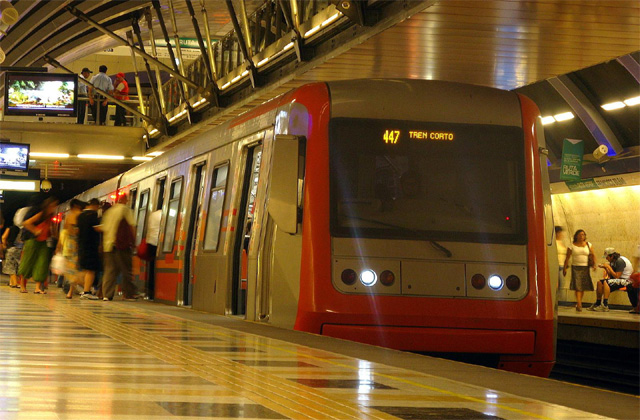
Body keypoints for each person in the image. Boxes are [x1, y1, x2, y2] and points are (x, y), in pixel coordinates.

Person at [100, 194, 139, 301]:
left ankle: (106, 295)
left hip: (108, 245)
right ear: (124, 200)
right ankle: (128, 294)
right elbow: (131, 226)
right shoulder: (125, 210)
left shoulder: (109, 211)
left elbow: (103, 228)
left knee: (110, 270)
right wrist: (134, 242)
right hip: (121, 244)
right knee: (126, 269)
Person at [18, 197, 59, 294]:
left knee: (42, 263)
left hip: (45, 241)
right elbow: (26, 223)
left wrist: (55, 237)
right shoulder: (41, 214)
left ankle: (38, 287)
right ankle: (22, 285)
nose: (54, 208)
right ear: (48, 205)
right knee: (28, 261)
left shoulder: (51, 215)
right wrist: (35, 231)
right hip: (33, 240)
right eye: (53, 205)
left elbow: (52, 229)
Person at [563, 229, 595, 312]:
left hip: (585, 267)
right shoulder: (572, 245)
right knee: (578, 286)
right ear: (576, 236)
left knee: (582, 286)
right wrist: (565, 268)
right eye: (580, 234)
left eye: (583, 235)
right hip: (576, 267)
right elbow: (567, 258)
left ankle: (579, 302)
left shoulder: (588, 245)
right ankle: (579, 303)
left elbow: (593, 255)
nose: (582, 236)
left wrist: (594, 264)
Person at [77, 198, 102, 299]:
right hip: (91, 246)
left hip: (82, 245)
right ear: (96, 206)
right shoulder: (92, 215)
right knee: (91, 270)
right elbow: (97, 228)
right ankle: (86, 291)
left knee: (85, 269)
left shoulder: (80, 216)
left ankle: (84, 289)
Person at [144, 209, 161, 300]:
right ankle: (155, 288)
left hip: (150, 242)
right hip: (157, 242)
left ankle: (149, 290)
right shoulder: (166, 213)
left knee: (151, 266)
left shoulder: (153, 214)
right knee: (157, 267)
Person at [555, 226, 567, 293]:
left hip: (562, 266)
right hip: (556, 266)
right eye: (559, 233)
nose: (561, 234)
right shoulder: (554, 243)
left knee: (561, 284)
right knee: (556, 284)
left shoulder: (561, 242)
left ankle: (559, 299)